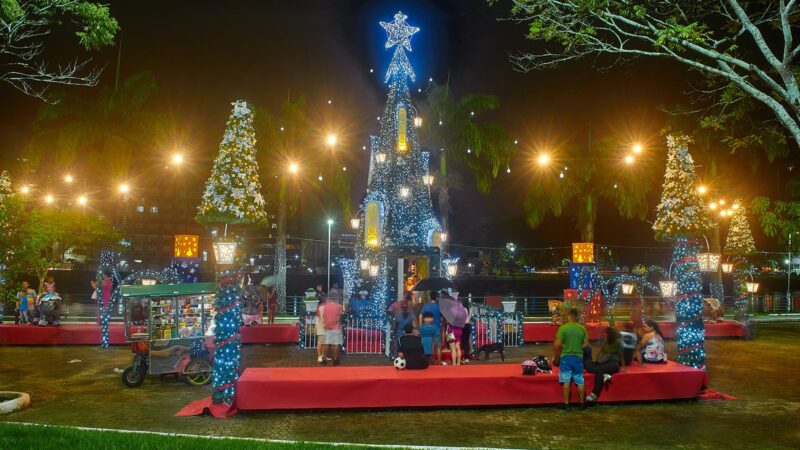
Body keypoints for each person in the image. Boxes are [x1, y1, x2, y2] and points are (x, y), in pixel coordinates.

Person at [553, 308, 589, 411]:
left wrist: (558, 351)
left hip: (566, 357)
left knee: (566, 380)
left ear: (569, 316)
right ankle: (582, 404)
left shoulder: (563, 328)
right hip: (578, 357)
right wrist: (578, 347)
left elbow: (557, 344)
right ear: (577, 317)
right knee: (579, 380)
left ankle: (566, 404)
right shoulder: (582, 328)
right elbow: (586, 343)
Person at [584, 326, 625, 403]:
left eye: (605, 333)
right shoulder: (607, 341)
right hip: (603, 362)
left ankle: (594, 394)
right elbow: (601, 350)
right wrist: (596, 360)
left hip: (613, 363)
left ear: (610, 334)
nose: (604, 334)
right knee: (586, 363)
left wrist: (624, 367)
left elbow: (621, 355)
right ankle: (606, 374)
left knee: (599, 370)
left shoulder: (618, 342)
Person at [441, 290, 466, 366]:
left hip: (451, 330)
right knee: (458, 347)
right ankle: (458, 363)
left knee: (452, 349)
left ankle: (454, 364)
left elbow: (446, 322)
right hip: (459, 330)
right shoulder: (462, 312)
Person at [419, 291, 443, 365]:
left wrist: (421, 327)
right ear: (436, 298)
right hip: (437, 329)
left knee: (430, 346)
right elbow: (442, 318)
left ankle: (431, 363)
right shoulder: (439, 306)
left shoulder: (426, 305)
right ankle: (438, 363)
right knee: (438, 347)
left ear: (430, 297)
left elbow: (420, 316)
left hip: (427, 329)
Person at [321, 297, 343, 366]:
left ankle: (324, 360)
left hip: (327, 327)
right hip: (336, 327)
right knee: (336, 344)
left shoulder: (325, 306)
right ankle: (335, 360)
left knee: (326, 344)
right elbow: (339, 318)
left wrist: (327, 324)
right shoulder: (339, 306)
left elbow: (323, 317)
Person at [315, 296, 327, 364]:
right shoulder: (321, 307)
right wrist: (325, 324)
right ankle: (319, 356)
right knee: (320, 342)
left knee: (324, 342)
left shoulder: (321, 306)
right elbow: (321, 316)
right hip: (321, 325)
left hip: (323, 324)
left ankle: (323, 356)